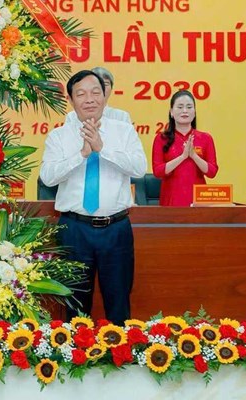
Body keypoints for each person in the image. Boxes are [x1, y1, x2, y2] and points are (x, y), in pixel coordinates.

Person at [40, 70, 146, 324]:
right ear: (70, 99)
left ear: (105, 94)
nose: (89, 99)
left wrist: (102, 149)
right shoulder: (59, 136)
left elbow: (139, 168)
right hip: (74, 229)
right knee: (74, 304)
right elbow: (48, 177)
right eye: (81, 94)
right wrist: (82, 155)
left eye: (95, 92)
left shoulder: (124, 131)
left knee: (119, 302)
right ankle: (76, 348)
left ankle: (120, 346)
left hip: (116, 228)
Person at [151, 90, 218, 206]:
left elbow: (212, 172)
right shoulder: (161, 139)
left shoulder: (205, 138)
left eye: (189, 107)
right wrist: (182, 157)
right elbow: (157, 171)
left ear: (194, 112)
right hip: (171, 200)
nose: (185, 111)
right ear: (171, 112)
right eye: (180, 107)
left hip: (198, 201)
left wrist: (194, 156)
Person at [64, 66, 131, 125]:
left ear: (112, 87)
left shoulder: (122, 116)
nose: (103, 87)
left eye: (105, 84)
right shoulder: (72, 116)